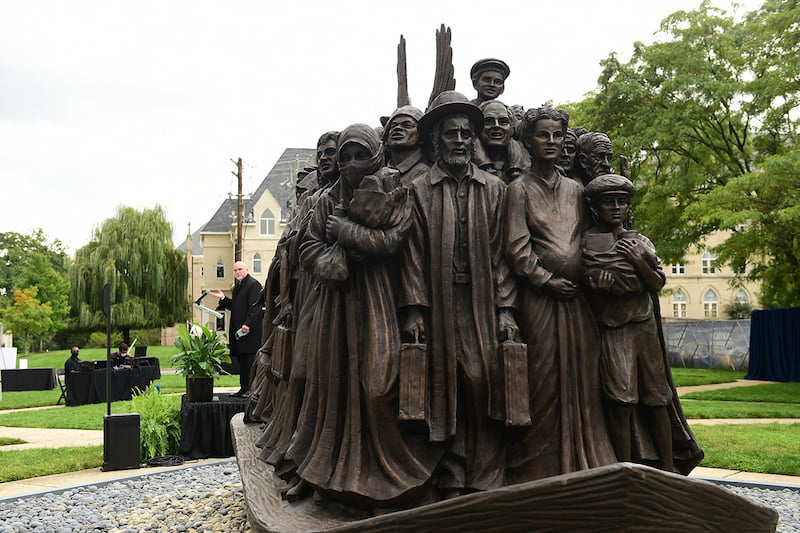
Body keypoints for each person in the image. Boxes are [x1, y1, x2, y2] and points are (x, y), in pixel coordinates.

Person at [288, 123, 442, 508]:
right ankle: (318, 475)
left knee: (378, 385)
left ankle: (388, 478)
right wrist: (335, 261)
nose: (353, 164)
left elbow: (403, 249)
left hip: (378, 299)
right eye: (347, 157)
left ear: (375, 153)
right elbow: (308, 246)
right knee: (329, 388)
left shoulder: (395, 190)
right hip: (335, 305)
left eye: (361, 155)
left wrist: (413, 310)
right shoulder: (327, 199)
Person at [401, 91, 518, 498]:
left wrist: (506, 309)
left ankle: (487, 474)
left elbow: (504, 254)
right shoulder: (419, 190)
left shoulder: (495, 189)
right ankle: (450, 474)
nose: (460, 140)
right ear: (437, 141)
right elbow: (412, 254)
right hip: (439, 301)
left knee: (483, 380)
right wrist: (415, 308)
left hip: (483, 301)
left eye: (466, 133)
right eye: (451, 133)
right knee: (443, 382)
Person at [503, 106, 616, 483]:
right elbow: (517, 250)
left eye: (557, 135)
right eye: (542, 135)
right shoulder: (518, 189)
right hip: (540, 302)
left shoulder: (576, 190)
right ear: (528, 141)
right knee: (543, 381)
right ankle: (537, 467)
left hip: (576, 302)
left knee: (583, 380)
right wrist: (546, 280)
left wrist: (594, 273)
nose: (551, 142)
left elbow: (588, 239)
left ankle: (583, 461)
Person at [582, 174, 703, 474]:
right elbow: (594, 282)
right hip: (613, 329)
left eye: (621, 202)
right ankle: (623, 469)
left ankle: (666, 467)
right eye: (608, 202)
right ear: (595, 207)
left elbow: (655, 282)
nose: (616, 208)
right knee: (621, 399)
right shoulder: (587, 241)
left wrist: (638, 262)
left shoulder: (641, 241)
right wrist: (618, 282)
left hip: (644, 328)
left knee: (657, 398)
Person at [210, 261, 263, 397]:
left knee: (250, 362)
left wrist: (248, 324)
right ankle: (244, 388)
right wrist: (223, 299)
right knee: (242, 362)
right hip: (239, 333)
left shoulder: (253, 285)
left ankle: (252, 390)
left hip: (250, 333)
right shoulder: (238, 287)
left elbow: (255, 307)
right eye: (235, 270)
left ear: (246, 269)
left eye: (240, 269)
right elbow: (236, 306)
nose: (238, 272)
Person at [475, 100, 529, 183]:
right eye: (489, 121)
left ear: (511, 129)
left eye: (503, 122)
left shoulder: (530, 165)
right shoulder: (466, 164)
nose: (496, 126)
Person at [383, 105, 429, 187]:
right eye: (394, 126)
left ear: (421, 136)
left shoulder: (427, 174)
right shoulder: (379, 174)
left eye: (407, 125)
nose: (397, 128)